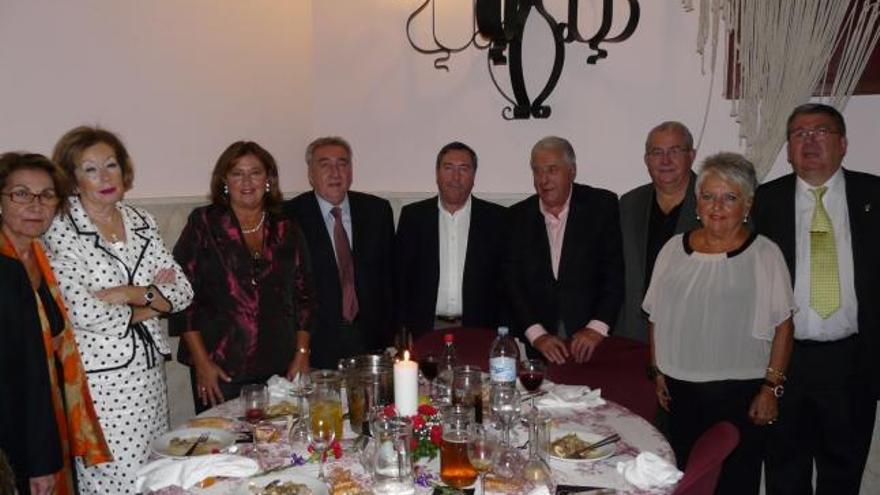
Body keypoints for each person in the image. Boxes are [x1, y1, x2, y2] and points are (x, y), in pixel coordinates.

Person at [43, 127, 193, 494]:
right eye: (90, 169)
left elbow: (183, 292)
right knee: (116, 480)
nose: (105, 177)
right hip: (100, 382)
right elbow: (85, 313)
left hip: (149, 374)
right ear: (72, 177)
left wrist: (129, 293)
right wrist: (151, 301)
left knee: (155, 474)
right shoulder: (61, 227)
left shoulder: (140, 220)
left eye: (111, 165)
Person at [644, 152, 794, 495]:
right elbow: (657, 316)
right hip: (679, 393)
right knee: (682, 480)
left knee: (734, 483)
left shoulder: (764, 254)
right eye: (708, 196)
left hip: (740, 395)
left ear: (748, 204)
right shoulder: (672, 250)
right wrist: (657, 370)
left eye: (729, 197)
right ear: (697, 201)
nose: (717, 206)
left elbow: (784, 326)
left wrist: (771, 389)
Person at [753, 103, 880, 495]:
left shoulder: (874, 194)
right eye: (799, 134)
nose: (809, 141)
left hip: (853, 362)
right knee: (783, 473)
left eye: (820, 131)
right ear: (788, 149)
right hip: (783, 362)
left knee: (842, 475)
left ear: (843, 143)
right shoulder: (763, 201)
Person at [170, 141, 316, 413]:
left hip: (280, 367)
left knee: (277, 448)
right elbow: (182, 297)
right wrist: (202, 363)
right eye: (237, 173)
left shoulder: (287, 228)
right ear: (224, 180)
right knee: (222, 449)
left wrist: (302, 354)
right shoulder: (204, 223)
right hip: (220, 368)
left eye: (256, 172)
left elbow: (304, 296)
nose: (247, 181)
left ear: (268, 179)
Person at [0, 152, 110, 495]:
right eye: (21, 193)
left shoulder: (39, 258)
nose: (36, 205)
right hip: (15, 436)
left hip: (46, 424)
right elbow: (19, 374)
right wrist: (39, 462)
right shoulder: (4, 270)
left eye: (47, 195)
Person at [506, 136, 624, 364]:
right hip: (537, 346)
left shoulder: (601, 206)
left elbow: (614, 274)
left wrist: (596, 328)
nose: (544, 179)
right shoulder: (517, 217)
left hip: (592, 341)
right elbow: (512, 283)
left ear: (572, 171)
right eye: (537, 171)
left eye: (552, 170)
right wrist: (537, 335)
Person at [284, 137, 394, 369]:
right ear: (311, 174)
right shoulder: (289, 216)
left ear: (351, 171)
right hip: (316, 342)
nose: (335, 172)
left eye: (342, 164)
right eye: (325, 164)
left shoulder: (377, 211)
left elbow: (389, 278)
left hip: (370, 340)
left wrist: (393, 337)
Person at [394, 141, 508, 338]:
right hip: (425, 329)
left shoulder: (498, 219)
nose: (456, 177)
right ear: (437, 174)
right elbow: (400, 278)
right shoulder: (414, 217)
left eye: (464, 169)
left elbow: (507, 281)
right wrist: (401, 329)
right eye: (448, 168)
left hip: (480, 330)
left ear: (474, 176)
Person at [617, 122, 700, 343]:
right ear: (646, 160)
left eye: (674, 151)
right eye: (657, 152)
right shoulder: (629, 204)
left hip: (694, 333)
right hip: (635, 334)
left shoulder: (715, 203)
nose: (665, 161)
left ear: (691, 155)